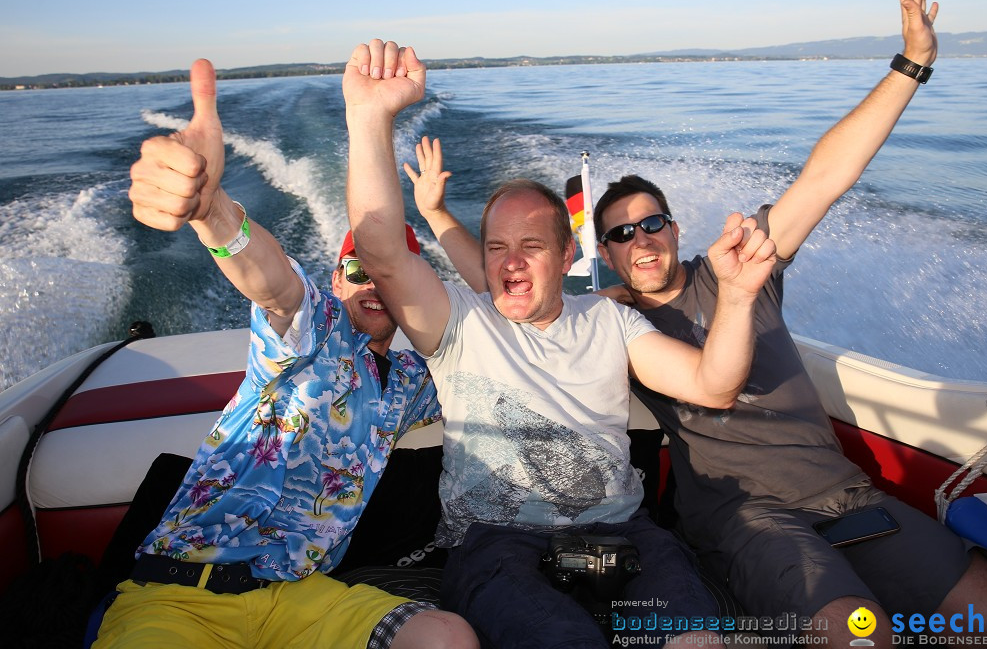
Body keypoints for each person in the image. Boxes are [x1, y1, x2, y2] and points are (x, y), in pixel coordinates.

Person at [590, 0, 987, 643]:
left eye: (652, 223)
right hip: (750, 520)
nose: (641, 239)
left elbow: (826, 176)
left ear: (675, 229)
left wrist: (912, 63)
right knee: (861, 634)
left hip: (850, 496)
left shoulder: (743, 265)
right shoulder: (614, 321)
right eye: (621, 233)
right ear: (606, 253)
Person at [342, 38, 778, 648]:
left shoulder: (611, 322)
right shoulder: (457, 320)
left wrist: (735, 297)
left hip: (624, 534)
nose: (510, 264)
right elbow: (382, 250)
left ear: (568, 254)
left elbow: (714, 384)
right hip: (496, 542)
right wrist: (370, 119)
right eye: (496, 248)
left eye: (532, 247)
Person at [94, 59, 478, 649]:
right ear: (336, 279)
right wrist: (212, 210)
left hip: (302, 599)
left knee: (444, 638)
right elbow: (270, 281)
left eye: (391, 275)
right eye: (359, 270)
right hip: (181, 594)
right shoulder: (311, 329)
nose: (374, 284)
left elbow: (492, 341)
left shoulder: (412, 383)